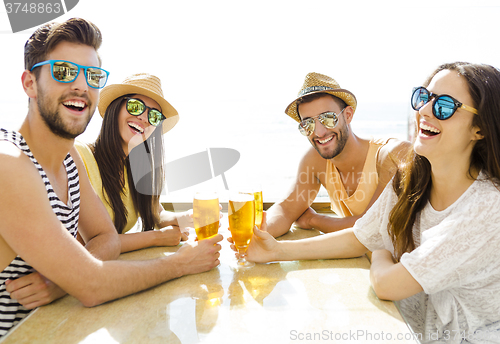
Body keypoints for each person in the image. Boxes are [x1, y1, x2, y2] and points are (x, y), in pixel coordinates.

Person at [240, 62, 500, 342]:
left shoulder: (486, 208)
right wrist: (276, 250)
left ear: (480, 129)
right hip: (410, 328)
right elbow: (360, 235)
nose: (424, 110)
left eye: (445, 106)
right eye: (423, 98)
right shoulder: (413, 178)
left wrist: (379, 251)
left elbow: (386, 282)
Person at [0, 18, 222, 337]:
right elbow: (91, 285)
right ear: (30, 83)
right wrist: (182, 264)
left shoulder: (69, 158)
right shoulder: (9, 162)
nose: (80, 86)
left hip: (54, 329)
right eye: (63, 72)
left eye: (92, 76)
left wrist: (62, 280)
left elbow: (106, 239)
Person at [266, 72, 410, 237]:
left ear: (348, 115)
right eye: (308, 124)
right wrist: (252, 234)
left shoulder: (392, 154)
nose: (319, 132)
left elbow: (371, 227)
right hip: (363, 259)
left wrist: (315, 220)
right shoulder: (315, 161)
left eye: (328, 118)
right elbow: (285, 210)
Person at [75, 73, 192, 252]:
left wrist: (188, 217)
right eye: (136, 106)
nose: (144, 118)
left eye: (154, 116)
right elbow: (87, 245)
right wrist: (156, 237)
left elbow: (157, 214)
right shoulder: (80, 156)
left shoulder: (137, 170)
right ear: (115, 108)